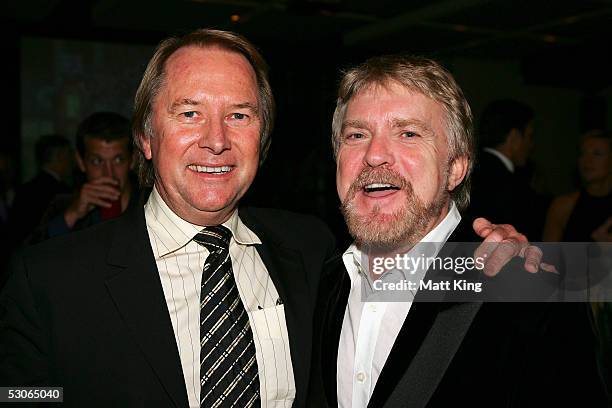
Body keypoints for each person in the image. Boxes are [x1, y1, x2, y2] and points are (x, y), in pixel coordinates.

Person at [1, 29, 536, 408]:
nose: (216, 139)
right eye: (189, 113)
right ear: (144, 136)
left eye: (240, 115)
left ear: (264, 137)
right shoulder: (48, 277)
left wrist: (500, 256)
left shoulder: (312, 252)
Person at [308, 55, 608, 407]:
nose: (375, 155)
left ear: (455, 168)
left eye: (408, 133)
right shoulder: (318, 282)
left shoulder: (529, 297)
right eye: (357, 135)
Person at [28, 112, 138, 242]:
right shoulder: (62, 206)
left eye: (118, 160)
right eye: (97, 161)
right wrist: (72, 215)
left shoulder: (150, 206)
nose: (109, 173)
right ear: (81, 162)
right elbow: (29, 255)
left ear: (133, 160)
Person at [469, 99, 547, 240]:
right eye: (529, 136)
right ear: (514, 137)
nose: (531, 145)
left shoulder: (465, 172)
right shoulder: (515, 186)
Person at [543, 129, 612, 242]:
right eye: (582, 153)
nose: (587, 160)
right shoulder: (563, 206)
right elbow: (547, 256)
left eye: (597, 153)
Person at [9, 134, 72, 242]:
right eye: (69, 154)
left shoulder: (24, 190)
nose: (72, 160)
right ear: (61, 156)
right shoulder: (62, 192)